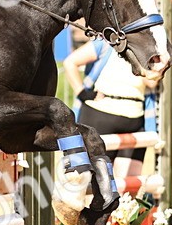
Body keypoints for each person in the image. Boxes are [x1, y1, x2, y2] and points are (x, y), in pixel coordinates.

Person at [62, 39, 160, 182]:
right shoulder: (105, 42)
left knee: (127, 186)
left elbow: (152, 81)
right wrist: (82, 92)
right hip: (99, 114)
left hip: (134, 116)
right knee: (93, 182)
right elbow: (70, 62)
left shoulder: (146, 46)